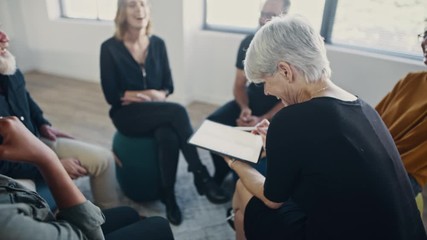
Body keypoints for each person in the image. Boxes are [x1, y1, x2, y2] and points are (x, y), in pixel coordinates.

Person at [225, 15, 427, 240]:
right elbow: (327, 161)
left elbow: (273, 198)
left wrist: (234, 160)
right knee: (247, 207)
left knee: (244, 189)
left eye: (265, 82)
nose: (267, 92)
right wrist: (277, 144)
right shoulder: (362, 106)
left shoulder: (291, 118)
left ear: (285, 70)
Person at [99, 0, 228, 225]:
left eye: (143, 4)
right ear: (122, 12)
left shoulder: (158, 44)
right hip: (126, 115)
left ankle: (168, 195)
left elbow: (168, 86)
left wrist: (156, 94)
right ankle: (201, 175)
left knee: (167, 134)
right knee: (178, 111)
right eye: (132, 5)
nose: (139, 10)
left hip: (155, 110)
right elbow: (112, 94)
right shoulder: (109, 47)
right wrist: (149, 93)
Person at [0, 116, 174, 240]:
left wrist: (42, 123)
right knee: (159, 225)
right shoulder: (6, 222)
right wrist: (49, 161)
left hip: (43, 216)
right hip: (70, 230)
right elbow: (89, 235)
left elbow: (27, 102)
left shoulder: (12, 73)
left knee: (128, 213)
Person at [0, 30, 119, 210]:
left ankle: (110, 216)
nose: (5, 37)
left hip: (36, 143)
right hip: (11, 174)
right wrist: (54, 165)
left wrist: (42, 123)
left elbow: (25, 97)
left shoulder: (7, 65)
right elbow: (4, 165)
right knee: (31, 208)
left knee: (103, 159)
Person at [207, 0, 291, 186]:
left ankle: (243, 181)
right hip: (251, 101)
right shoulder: (248, 42)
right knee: (213, 125)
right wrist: (244, 108)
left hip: (279, 107)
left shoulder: (291, 49)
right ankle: (221, 173)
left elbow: (291, 98)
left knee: (250, 140)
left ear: (285, 17)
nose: (263, 20)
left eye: (270, 15)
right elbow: (239, 85)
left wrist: (263, 118)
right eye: (262, 14)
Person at [375, 29, 427, 197]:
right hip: (372, 156)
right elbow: (371, 120)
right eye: (425, 35)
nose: (424, 42)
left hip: (405, 174)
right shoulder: (411, 80)